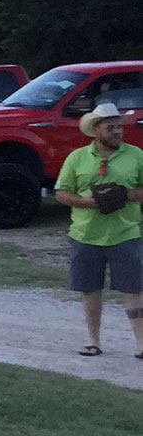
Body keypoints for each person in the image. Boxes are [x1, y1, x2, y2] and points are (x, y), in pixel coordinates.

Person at [54, 102, 143, 358]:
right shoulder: (77, 158)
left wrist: (126, 194)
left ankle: (141, 344)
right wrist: (87, 202)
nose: (118, 132)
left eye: (119, 127)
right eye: (111, 128)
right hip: (85, 235)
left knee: (134, 289)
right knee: (90, 289)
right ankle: (93, 341)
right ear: (96, 130)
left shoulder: (136, 155)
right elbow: (61, 192)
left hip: (125, 233)